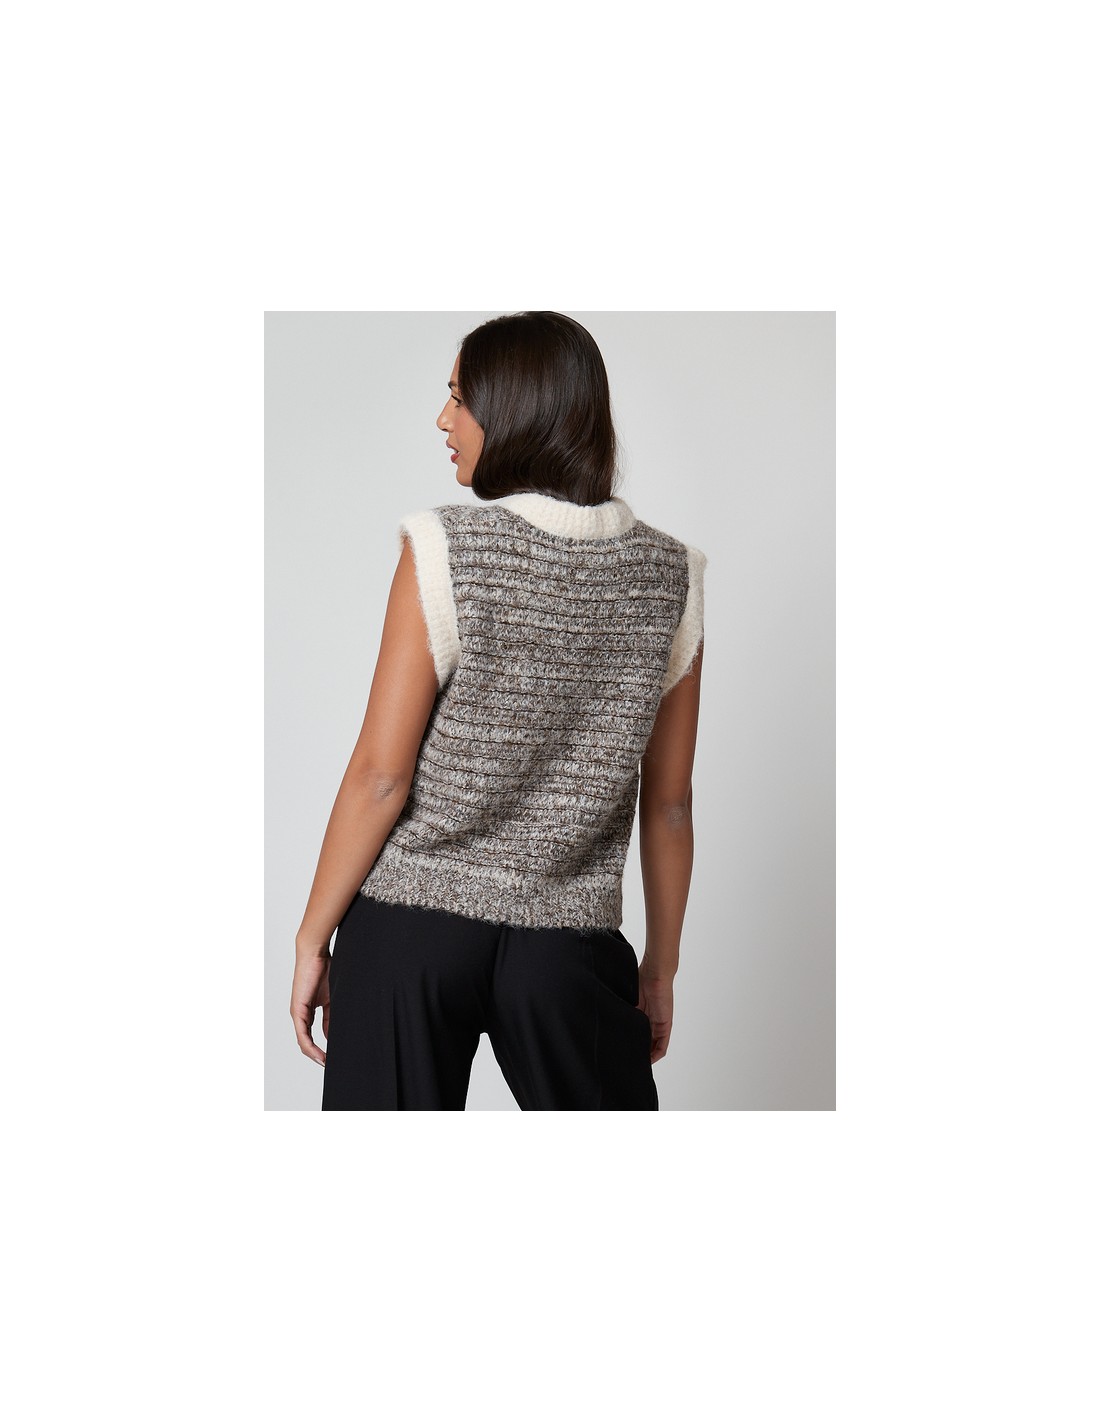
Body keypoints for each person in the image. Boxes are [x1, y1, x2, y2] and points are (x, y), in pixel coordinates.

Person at [290, 311, 705, 1110]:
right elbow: (671, 805)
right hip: (568, 945)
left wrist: (314, 937)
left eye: (459, 397)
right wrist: (660, 968)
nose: (443, 419)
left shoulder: (445, 547)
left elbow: (381, 777)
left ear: (514, 407)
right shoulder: (670, 573)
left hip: (410, 926)